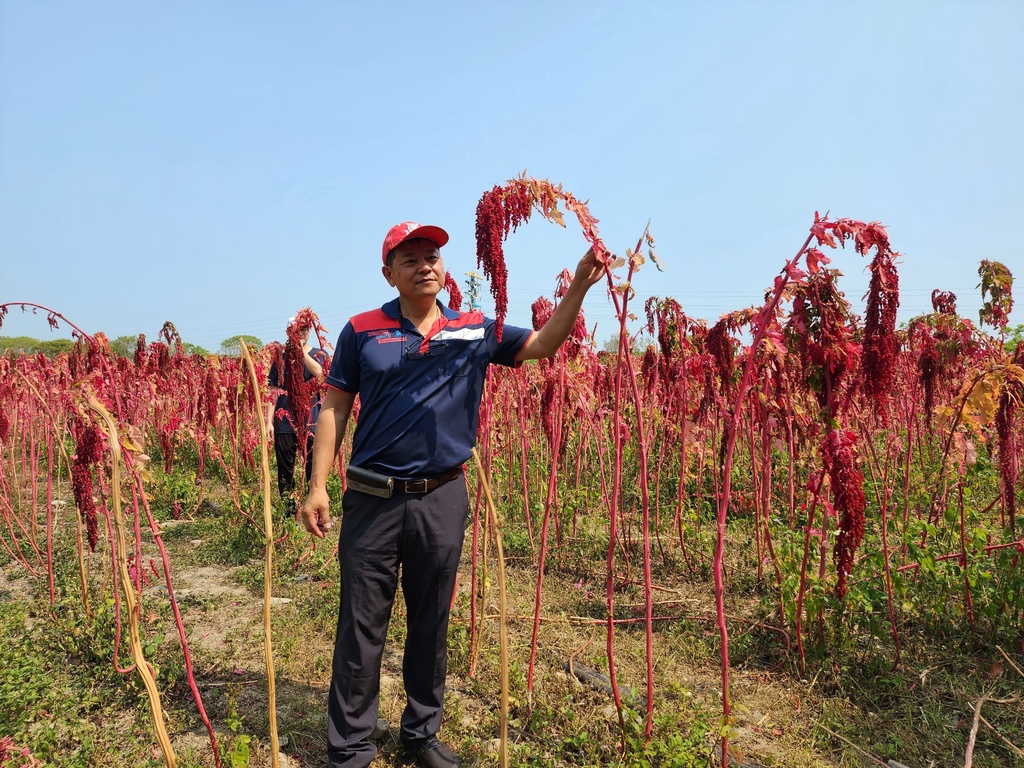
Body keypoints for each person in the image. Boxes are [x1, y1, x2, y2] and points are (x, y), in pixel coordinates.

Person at [302, 221, 605, 768]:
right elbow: (335, 407)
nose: (425, 265)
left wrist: (579, 286)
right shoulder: (361, 330)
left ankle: (420, 732)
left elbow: (542, 344)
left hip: (442, 497)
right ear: (388, 272)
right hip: (372, 498)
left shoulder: (473, 329)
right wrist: (317, 484)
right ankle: (349, 746)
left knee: (431, 620)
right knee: (362, 623)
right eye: (410, 257)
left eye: (433, 255)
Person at [266, 319, 327, 516]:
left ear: (309, 330)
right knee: (285, 470)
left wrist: (301, 353)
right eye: (295, 330)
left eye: (304, 329)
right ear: (287, 331)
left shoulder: (319, 354)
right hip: (284, 422)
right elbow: (273, 391)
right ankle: (288, 513)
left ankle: (313, 510)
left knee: (313, 468)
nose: (300, 333)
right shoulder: (280, 358)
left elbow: (320, 374)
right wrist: (269, 421)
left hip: (311, 421)